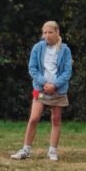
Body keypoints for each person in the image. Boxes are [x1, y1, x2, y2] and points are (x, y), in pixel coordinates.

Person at [11, 22, 70, 162]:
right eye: (44, 33)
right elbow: (32, 68)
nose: (46, 35)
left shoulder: (65, 50)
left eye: (50, 32)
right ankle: (26, 150)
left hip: (58, 91)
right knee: (34, 118)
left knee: (56, 119)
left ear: (57, 32)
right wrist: (44, 83)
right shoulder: (37, 47)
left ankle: (52, 151)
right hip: (40, 90)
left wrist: (55, 85)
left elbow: (67, 71)